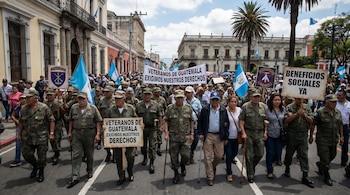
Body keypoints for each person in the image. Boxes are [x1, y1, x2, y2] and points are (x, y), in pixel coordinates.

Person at [17, 89, 55, 182]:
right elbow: (21, 122)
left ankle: (41, 172)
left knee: (42, 157)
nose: (27, 99)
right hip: (28, 137)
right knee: (26, 154)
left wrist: (51, 133)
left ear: (36, 98)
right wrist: (19, 134)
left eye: (29, 97)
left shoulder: (44, 107)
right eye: (26, 97)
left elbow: (51, 120)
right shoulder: (24, 109)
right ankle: (35, 165)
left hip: (41, 137)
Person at [67, 92, 102, 188]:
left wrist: (98, 134)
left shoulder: (93, 108)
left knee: (89, 154)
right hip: (76, 133)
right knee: (76, 154)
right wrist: (69, 132)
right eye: (79, 99)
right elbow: (71, 120)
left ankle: (89, 170)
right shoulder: (74, 107)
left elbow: (98, 121)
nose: (81, 101)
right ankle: (75, 176)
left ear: (87, 99)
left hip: (89, 134)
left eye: (83, 99)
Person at [310, 94, 344, 186]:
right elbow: (313, 124)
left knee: (332, 156)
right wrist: (310, 136)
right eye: (333, 102)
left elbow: (340, 124)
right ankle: (327, 176)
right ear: (327, 102)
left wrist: (341, 136)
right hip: (322, 140)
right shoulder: (320, 112)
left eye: (335, 102)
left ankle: (321, 165)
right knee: (325, 158)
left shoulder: (338, 112)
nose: (335, 104)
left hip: (333, 139)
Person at [198, 91, 229, 186]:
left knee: (219, 155)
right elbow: (200, 123)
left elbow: (227, 124)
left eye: (216, 99)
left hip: (219, 135)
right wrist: (201, 133)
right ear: (210, 100)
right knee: (207, 157)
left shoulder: (223, 110)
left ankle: (213, 166)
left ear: (219, 100)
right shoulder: (205, 110)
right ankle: (210, 177)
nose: (215, 101)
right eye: (213, 99)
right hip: (209, 135)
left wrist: (226, 137)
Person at [164, 89, 194, 184]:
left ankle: (183, 165)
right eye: (178, 98)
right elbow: (166, 121)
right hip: (174, 137)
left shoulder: (188, 108)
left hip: (185, 136)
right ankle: (176, 173)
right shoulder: (170, 108)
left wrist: (192, 133)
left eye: (181, 98)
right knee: (174, 157)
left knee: (186, 155)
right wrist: (166, 133)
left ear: (184, 98)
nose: (179, 100)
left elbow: (192, 121)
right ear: (175, 98)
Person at [108, 90, 138, 185]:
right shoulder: (111, 110)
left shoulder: (130, 108)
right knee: (118, 158)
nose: (117, 101)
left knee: (130, 156)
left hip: (129, 138)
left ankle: (130, 172)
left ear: (124, 99)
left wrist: (140, 126)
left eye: (119, 99)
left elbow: (136, 120)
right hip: (117, 139)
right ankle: (121, 176)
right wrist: (105, 127)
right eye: (116, 99)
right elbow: (107, 121)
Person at [284, 97, 314, 188]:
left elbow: (311, 120)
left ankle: (305, 175)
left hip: (303, 135)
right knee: (289, 153)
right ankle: (287, 167)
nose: (299, 101)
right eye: (297, 99)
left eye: (301, 99)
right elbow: (286, 120)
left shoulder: (307, 107)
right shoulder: (289, 107)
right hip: (292, 134)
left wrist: (304, 115)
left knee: (304, 155)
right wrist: (296, 114)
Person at [239, 89, 268, 183]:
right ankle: (250, 174)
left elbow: (266, 120)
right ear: (251, 97)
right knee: (249, 155)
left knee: (260, 153)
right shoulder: (246, 106)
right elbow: (241, 121)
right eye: (254, 96)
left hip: (259, 132)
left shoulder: (264, 107)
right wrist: (243, 132)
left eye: (258, 96)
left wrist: (265, 132)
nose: (256, 98)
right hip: (249, 132)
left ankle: (251, 167)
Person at [135, 88, 162, 174]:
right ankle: (145, 157)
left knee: (152, 145)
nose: (147, 96)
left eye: (148, 94)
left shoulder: (155, 105)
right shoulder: (138, 105)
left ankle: (151, 162)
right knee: (143, 146)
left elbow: (160, 116)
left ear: (151, 95)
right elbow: (135, 116)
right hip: (142, 128)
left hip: (152, 128)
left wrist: (160, 127)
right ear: (143, 95)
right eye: (145, 94)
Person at [265, 93, 285, 179]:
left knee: (278, 153)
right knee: (270, 152)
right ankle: (269, 170)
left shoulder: (283, 109)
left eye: (279, 100)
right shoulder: (267, 109)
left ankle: (271, 163)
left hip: (279, 136)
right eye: (275, 100)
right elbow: (264, 120)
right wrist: (265, 131)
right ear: (272, 101)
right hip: (270, 134)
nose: (277, 102)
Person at [44, 89, 64, 165]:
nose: (49, 97)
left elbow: (63, 112)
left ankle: (56, 153)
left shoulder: (58, 102)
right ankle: (56, 150)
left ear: (54, 96)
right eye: (48, 95)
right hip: (48, 123)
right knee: (51, 139)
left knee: (56, 138)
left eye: (50, 95)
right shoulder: (44, 104)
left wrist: (61, 107)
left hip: (57, 122)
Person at [97, 85, 116, 163]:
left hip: (114, 124)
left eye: (107, 92)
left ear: (112, 92)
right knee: (104, 141)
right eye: (104, 91)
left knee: (114, 140)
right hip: (104, 123)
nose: (105, 93)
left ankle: (115, 155)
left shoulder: (116, 100)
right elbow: (99, 110)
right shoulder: (102, 100)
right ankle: (108, 153)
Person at [184, 86, 202, 164]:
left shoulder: (197, 101)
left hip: (195, 125)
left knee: (195, 141)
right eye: (186, 92)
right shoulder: (183, 101)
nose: (187, 94)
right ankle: (188, 157)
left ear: (192, 93)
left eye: (189, 92)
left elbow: (200, 112)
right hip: (185, 125)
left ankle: (191, 152)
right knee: (186, 142)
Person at [225, 95, 241, 182]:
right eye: (232, 102)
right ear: (228, 102)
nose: (233, 103)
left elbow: (242, 121)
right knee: (229, 154)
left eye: (235, 102)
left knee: (234, 153)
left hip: (236, 136)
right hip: (228, 137)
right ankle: (229, 172)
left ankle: (229, 162)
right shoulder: (225, 111)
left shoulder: (239, 110)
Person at [9, 94, 26, 167]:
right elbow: (12, 115)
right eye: (21, 99)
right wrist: (16, 121)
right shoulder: (17, 107)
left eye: (24, 98)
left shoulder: (29, 107)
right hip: (19, 128)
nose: (23, 100)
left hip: (28, 128)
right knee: (18, 143)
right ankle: (17, 159)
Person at [336, 90, 350, 166]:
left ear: (344, 96)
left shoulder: (349, 105)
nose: (338, 96)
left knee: (345, 144)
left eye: (340, 95)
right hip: (335, 125)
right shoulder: (335, 104)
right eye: (337, 95)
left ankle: (344, 160)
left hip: (345, 126)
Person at [152, 86, 167, 156]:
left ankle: (158, 147)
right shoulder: (151, 99)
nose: (158, 93)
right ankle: (153, 147)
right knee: (152, 134)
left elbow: (165, 108)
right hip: (152, 118)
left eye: (158, 92)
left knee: (159, 133)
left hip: (160, 118)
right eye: (156, 92)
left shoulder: (162, 100)